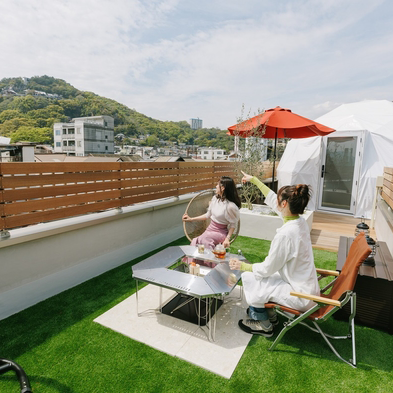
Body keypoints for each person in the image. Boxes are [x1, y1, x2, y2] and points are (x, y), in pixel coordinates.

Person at [229, 171, 319, 337]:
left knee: (252, 277)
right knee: (260, 278)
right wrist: (255, 180)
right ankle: (271, 315)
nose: (276, 202)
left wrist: (242, 266)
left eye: (279, 200)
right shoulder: (299, 222)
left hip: (301, 296)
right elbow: (272, 199)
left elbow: (267, 268)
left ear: (284, 204)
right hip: (306, 289)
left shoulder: (286, 234)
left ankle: (263, 324)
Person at [182, 176, 241, 250]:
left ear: (223, 188)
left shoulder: (230, 206)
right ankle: (197, 261)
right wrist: (191, 219)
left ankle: (209, 261)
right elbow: (207, 215)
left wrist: (227, 239)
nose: (216, 186)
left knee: (204, 240)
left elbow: (233, 225)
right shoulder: (215, 199)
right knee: (196, 240)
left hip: (220, 233)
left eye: (217, 184)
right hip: (210, 229)